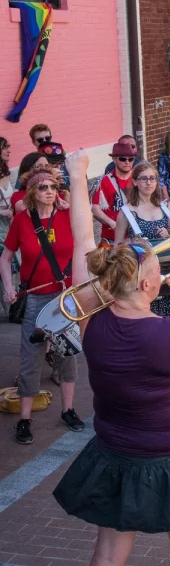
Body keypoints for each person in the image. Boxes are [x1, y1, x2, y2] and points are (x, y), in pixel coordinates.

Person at [52, 149, 170, 564]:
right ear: (150, 286)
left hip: (114, 450)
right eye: (156, 267)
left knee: (109, 553)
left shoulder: (89, 315)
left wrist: (78, 176)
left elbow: (83, 243)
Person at [0, 168, 84, 444]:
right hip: (34, 299)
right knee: (30, 358)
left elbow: (85, 242)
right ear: (32, 193)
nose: (50, 191)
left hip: (63, 298)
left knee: (67, 356)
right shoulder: (23, 221)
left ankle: (68, 410)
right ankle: (25, 419)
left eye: (53, 186)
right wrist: (9, 288)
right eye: (43, 187)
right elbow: (6, 257)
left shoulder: (67, 215)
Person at [114, 161, 170, 316]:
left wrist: (168, 236)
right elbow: (117, 247)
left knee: (167, 320)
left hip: (164, 269)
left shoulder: (165, 206)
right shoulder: (126, 212)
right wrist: (133, 243)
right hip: (140, 274)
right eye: (143, 179)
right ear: (135, 182)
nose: (148, 182)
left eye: (152, 178)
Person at [92, 142, 136, 243]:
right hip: (112, 237)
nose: (127, 162)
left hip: (136, 236)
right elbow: (95, 207)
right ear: (114, 159)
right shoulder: (104, 181)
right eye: (122, 159)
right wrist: (111, 222)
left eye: (130, 159)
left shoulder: (140, 178)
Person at [0, 138, 13, 316]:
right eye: (5, 148)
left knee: (11, 263)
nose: (9, 151)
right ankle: (10, 308)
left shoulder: (7, 172)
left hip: (9, 224)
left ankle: (13, 305)